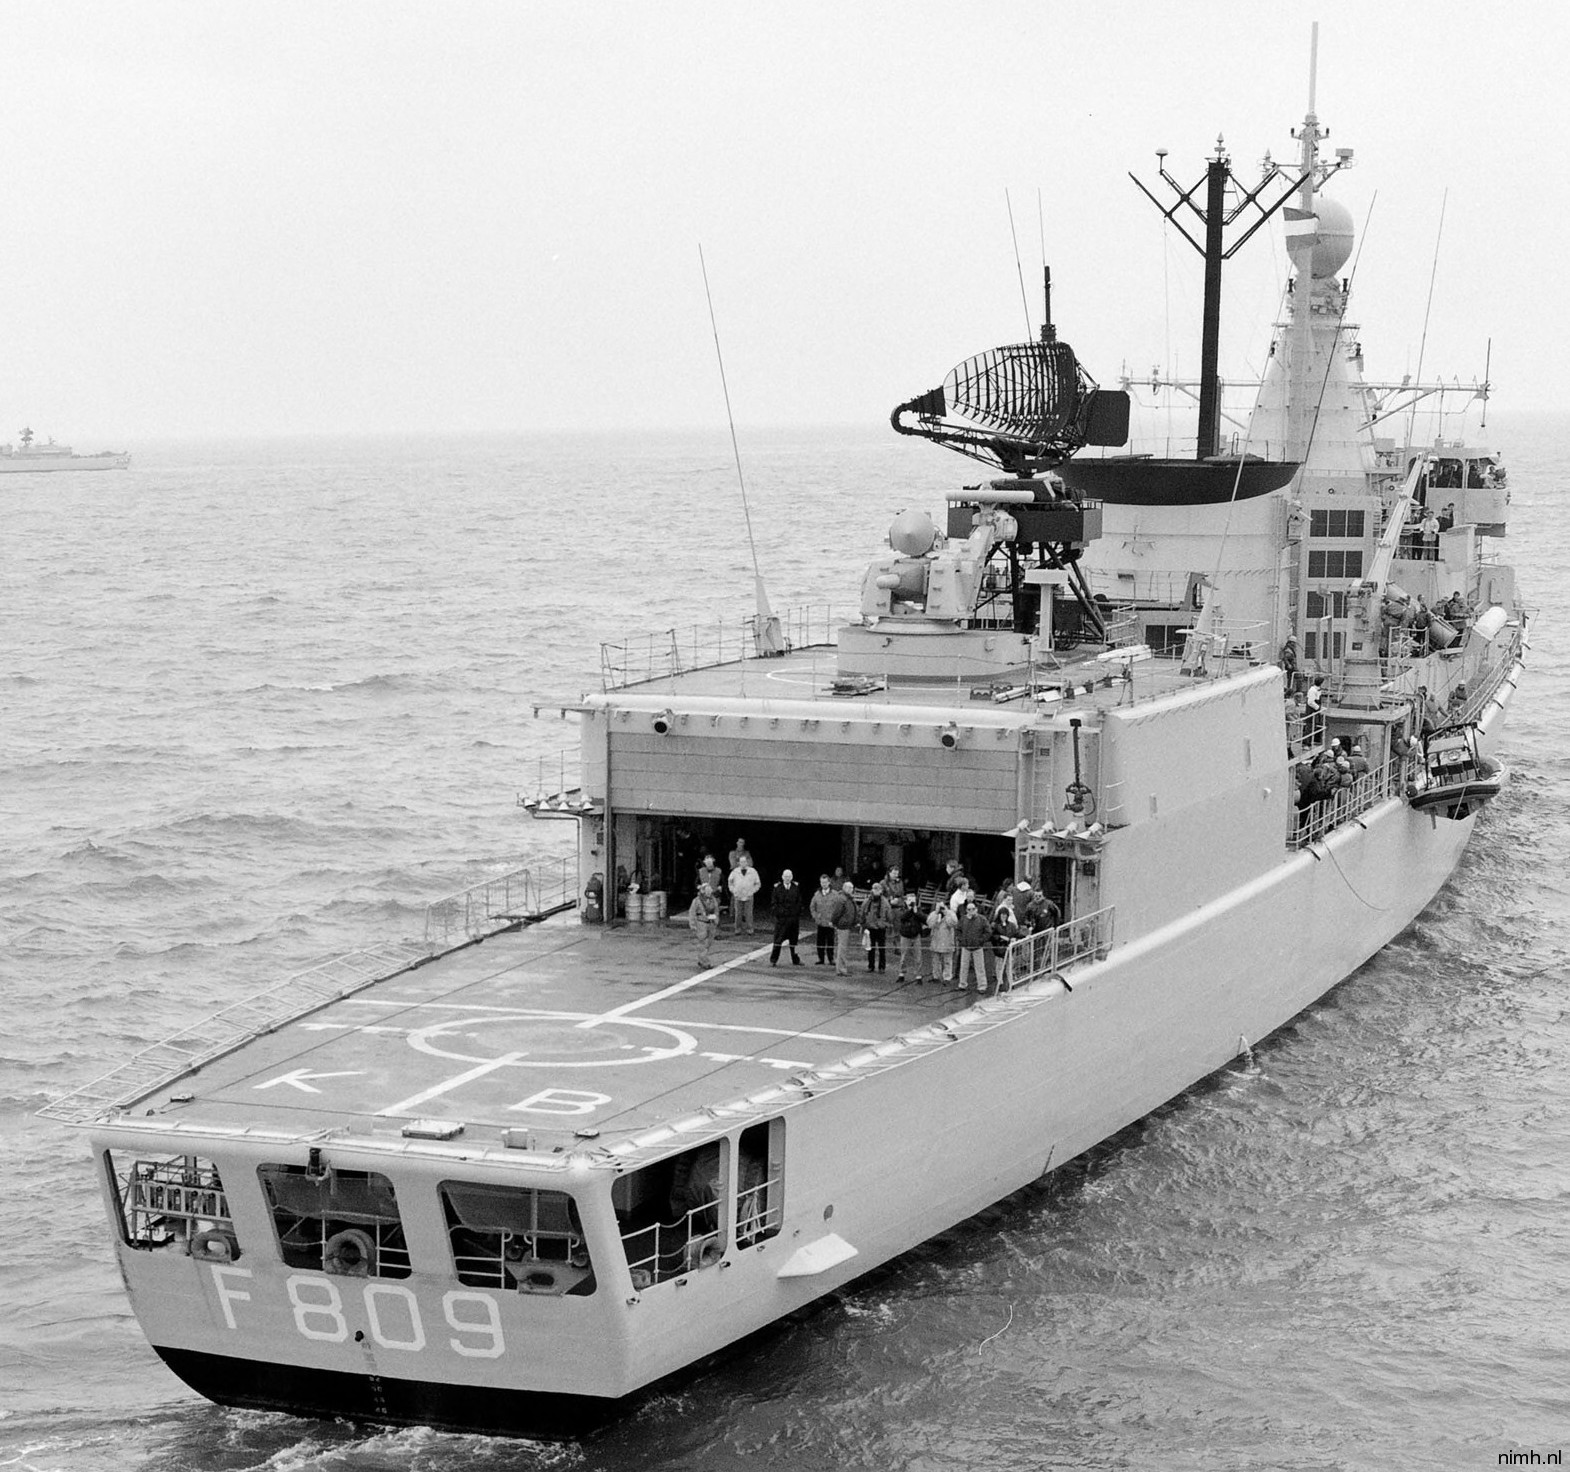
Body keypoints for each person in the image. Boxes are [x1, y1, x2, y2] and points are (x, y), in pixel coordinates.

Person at [955, 900, 992, 995]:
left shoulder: (982, 919)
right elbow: (958, 930)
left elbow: (988, 932)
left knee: (980, 967)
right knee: (963, 967)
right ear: (966, 910)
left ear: (976, 909)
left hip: (977, 947)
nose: (971, 911)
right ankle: (962, 984)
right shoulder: (963, 919)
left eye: (973, 909)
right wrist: (961, 940)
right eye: (969, 909)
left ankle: (982, 986)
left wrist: (981, 940)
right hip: (966, 947)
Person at [769, 869, 804, 966]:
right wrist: (781, 913)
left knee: (793, 942)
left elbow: (799, 903)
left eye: (789, 876)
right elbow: (774, 904)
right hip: (782, 920)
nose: (787, 878)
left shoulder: (796, 888)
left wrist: (795, 913)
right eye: (785, 876)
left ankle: (795, 960)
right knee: (778, 941)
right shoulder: (777, 888)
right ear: (782, 877)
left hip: (793, 920)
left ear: (792, 877)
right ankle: (773, 960)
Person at [861, 882, 893, 974]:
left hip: (880, 928)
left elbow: (889, 915)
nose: (875, 891)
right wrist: (863, 924)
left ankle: (882, 967)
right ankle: (871, 966)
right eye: (874, 889)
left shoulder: (885, 902)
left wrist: (886, 924)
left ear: (881, 891)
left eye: (877, 889)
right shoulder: (867, 901)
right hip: (870, 927)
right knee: (870, 948)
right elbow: (862, 912)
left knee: (882, 948)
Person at [894, 897, 927, 983]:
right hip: (905, 935)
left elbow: (924, 919)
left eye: (913, 901)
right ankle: (901, 974)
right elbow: (902, 918)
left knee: (918, 956)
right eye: (910, 900)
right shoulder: (902, 909)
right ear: (906, 901)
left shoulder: (918, 910)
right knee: (904, 956)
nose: (912, 902)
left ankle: (918, 976)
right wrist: (911, 910)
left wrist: (916, 912)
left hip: (916, 935)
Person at [830, 881, 860, 976]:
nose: (851, 890)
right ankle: (841, 970)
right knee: (842, 948)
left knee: (843, 948)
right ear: (844, 888)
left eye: (852, 888)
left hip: (847, 925)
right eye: (849, 888)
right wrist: (834, 922)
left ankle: (842, 968)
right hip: (843, 926)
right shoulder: (842, 899)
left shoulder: (848, 898)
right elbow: (836, 913)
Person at [687, 884, 719, 965]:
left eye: (710, 892)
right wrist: (692, 925)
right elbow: (692, 913)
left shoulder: (713, 900)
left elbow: (716, 910)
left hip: (711, 923)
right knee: (702, 943)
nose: (709, 893)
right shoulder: (696, 901)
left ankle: (702, 959)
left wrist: (716, 921)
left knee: (709, 942)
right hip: (701, 923)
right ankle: (705, 961)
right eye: (707, 892)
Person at [809, 874, 837, 965]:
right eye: (822, 882)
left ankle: (831, 958)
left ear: (829, 882)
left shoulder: (835, 894)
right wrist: (815, 917)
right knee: (820, 942)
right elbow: (812, 907)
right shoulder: (817, 894)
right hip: (820, 922)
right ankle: (821, 959)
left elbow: (838, 908)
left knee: (830, 942)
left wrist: (834, 920)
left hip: (830, 923)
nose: (823, 884)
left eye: (825, 882)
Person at [728, 857, 761, 935]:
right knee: (738, 914)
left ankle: (750, 930)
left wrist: (752, 891)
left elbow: (758, 883)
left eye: (744, 861)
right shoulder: (735, 872)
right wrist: (733, 891)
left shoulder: (753, 871)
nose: (743, 863)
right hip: (738, 896)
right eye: (741, 862)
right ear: (739, 863)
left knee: (749, 914)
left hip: (749, 895)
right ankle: (737, 929)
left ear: (747, 862)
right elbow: (730, 882)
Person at [927, 900, 957, 984]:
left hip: (947, 941)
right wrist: (936, 913)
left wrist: (946, 913)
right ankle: (936, 976)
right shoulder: (933, 914)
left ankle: (947, 978)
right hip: (936, 941)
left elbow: (953, 923)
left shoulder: (951, 914)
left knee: (947, 961)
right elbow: (930, 924)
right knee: (935, 960)